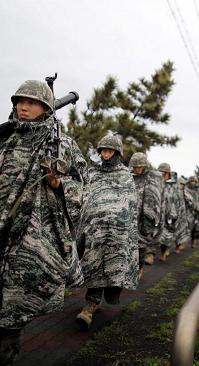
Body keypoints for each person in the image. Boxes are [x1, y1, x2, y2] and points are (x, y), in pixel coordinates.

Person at [0, 80, 87, 366]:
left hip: (31, 244)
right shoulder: (0, 141)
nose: (23, 107)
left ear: (47, 107)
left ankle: (1, 359)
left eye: (31, 102)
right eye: (19, 101)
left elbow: (81, 190)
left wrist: (58, 184)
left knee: (12, 312)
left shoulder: (63, 146)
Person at [75, 134, 138, 329]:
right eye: (103, 150)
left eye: (110, 151)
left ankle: (102, 298)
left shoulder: (125, 176)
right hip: (95, 230)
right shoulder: (92, 174)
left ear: (117, 153)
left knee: (112, 267)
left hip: (117, 232)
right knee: (93, 264)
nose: (106, 154)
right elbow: (84, 198)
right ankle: (90, 304)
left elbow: (130, 204)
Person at [129, 152, 163, 279]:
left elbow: (156, 199)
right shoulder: (128, 177)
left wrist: (153, 217)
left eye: (139, 166)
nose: (136, 169)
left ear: (144, 166)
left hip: (145, 218)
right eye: (134, 166)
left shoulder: (152, 179)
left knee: (141, 246)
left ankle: (139, 268)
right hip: (130, 216)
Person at [158, 163, 178, 261]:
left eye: (164, 172)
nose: (162, 174)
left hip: (169, 213)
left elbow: (177, 200)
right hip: (157, 212)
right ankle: (150, 254)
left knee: (166, 235)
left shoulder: (173, 185)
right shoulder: (156, 182)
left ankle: (163, 251)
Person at [184, 175, 199, 248]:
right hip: (188, 210)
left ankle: (193, 240)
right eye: (191, 181)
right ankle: (181, 243)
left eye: (194, 181)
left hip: (196, 212)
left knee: (195, 228)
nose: (192, 183)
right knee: (186, 227)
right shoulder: (186, 189)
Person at [172, 175, 190, 253]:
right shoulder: (173, 192)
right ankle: (166, 250)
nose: (181, 185)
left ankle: (178, 246)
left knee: (181, 232)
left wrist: (188, 200)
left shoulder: (186, 193)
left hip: (183, 216)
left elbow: (191, 204)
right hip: (174, 215)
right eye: (179, 184)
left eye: (182, 184)